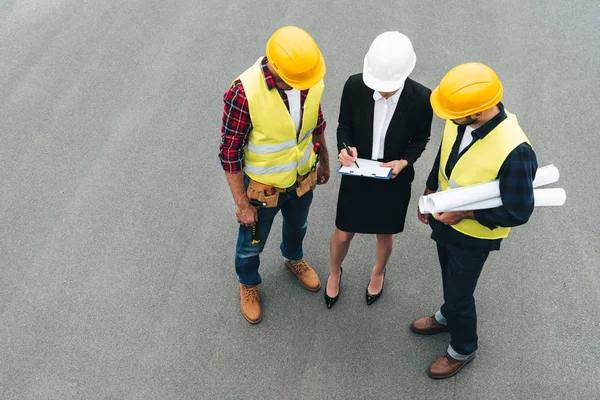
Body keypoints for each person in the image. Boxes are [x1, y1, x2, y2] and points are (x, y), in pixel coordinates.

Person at [412, 62, 538, 378]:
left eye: (453, 115)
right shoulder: (461, 116)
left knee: (460, 292)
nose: (449, 120)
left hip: (473, 235)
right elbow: (446, 155)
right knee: (448, 277)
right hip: (445, 217)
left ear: (479, 112)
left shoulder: (515, 150)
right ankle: (446, 315)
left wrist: (464, 213)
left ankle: (463, 348)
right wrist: (430, 191)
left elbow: (518, 211)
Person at [219, 26, 330, 324]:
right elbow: (230, 153)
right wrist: (242, 205)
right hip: (261, 189)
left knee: (298, 225)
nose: (300, 86)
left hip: (302, 177)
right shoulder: (243, 92)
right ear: (274, 67)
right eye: (293, 81)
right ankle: (249, 283)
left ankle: (293, 258)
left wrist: (324, 160)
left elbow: (316, 121)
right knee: (250, 244)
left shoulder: (308, 78)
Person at [324, 31, 433, 309]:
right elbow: (344, 126)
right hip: (357, 172)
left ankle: (378, 271)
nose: (382, 90)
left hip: (393, 178)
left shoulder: (422, 98)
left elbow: (421, 138)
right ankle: (335, 271)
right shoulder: (354, 86)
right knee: (343, 232)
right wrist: (345, 147)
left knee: (385, 234)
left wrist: (404, 162)